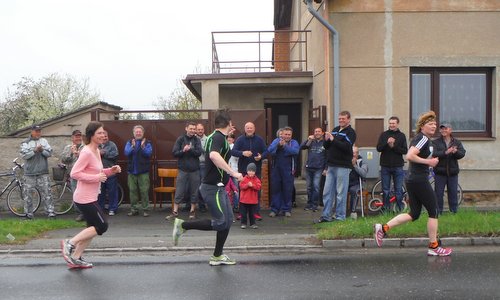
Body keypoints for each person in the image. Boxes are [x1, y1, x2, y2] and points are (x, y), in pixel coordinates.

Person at [374, 111, 453, 257]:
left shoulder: (426, 140)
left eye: (435, 124)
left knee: (414, 213)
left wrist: (435, 159)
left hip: (413, 179)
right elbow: (410, 155)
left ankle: (383, 228)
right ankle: (434, 246)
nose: (434, 126)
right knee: (434, 211)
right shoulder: (422, 138)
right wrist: (428, 162)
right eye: (430, 124)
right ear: (422, 126)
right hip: (418, 179)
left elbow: (424, 155)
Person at [173, 109, 243, 266]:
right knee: (220, 222)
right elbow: (213, 155)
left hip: (219, 187)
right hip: (212, 188)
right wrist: (233, 173)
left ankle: (217, 256)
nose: (233, 126)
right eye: (231, 123)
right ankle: (182, 225)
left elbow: (219, 149)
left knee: (228, 219)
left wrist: (227, 134)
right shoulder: (217, 138)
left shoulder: (219, 137)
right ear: (228, 123)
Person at [60, 121, 122, 268]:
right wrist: (96, 178)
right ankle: (70, 243)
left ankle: (75, 257)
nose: (103, 135)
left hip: (91, 196)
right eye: (99, 133)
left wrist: (110, 171)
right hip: (84, 198)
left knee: (92, 229)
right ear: (92, 135)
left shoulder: (96, 150)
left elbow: (97, 172)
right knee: (102, 226)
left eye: (103, 132)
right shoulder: (87, 152)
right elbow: (75, 173)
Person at [317, 111, 357, 223]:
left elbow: (346, 147)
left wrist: (333, 139)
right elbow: (327, 146)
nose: (341, 121)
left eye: (343, 119)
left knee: (340, 192)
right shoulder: (335, 130)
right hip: (331, 165)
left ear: (348, 119)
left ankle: (340, 217)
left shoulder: (351, 132)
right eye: (339, 119)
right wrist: (326, 140)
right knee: (327, 192)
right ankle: (326, 216)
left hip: (343, 166)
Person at [166, 121, 202, 220]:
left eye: (194, 129)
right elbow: (174, 153)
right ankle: (175, 212)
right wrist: (183, 150)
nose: (192, 130)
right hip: (183, 170)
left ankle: (192, 211)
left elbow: (199, 152)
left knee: (194, 191)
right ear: (186, 128)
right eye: (191, 128)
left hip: (194, 170)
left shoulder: (196, 140)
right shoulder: (180, 139)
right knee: (179, 191)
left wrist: (190, 150)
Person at [232, 121, 268, 220]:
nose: (249, 129)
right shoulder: (240, 139)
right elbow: (233, 151)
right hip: (243, 170)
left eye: (251, 128)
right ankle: (242, 213)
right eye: (247, 128)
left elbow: (266, 151)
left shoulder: (259, 139)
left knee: (256, 190)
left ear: (254, 129)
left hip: (256, 170)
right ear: (245, 129)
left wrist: (261, 156)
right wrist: (242, 153)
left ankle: (256, 212)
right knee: (242, 191)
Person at [19, 125, 55, 219]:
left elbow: (49, 153)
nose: (38, 133)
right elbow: (24, 156)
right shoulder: (25, 142)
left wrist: (42, 150)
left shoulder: (44, 141)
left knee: (47, 193)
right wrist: (35, 151)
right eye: (36, 131)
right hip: (29, 173)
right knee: (28, 195)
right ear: (32, 132)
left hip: (43, 172)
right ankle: (29, 214)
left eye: (39, 131)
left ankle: (50, 212)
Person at [376, 116, 408, 212]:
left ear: (397, 124)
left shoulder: (402, 136)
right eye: (390, 123)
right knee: (385, 190)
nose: (391, 125)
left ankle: (399, 210)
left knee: (398, 190)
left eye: (393, 123)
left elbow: (405, 151)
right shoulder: (384, 135)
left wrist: (393, 146)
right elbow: (378, 148)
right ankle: (386, 210)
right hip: (385, 166)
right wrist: (387, 143)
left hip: (398, 166)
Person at [433, 123, 466, 214]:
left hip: (452, 172)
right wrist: (446, 152)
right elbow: (434, 153)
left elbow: (462, 154)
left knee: (453, 193)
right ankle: (438, 212)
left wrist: (455, 152)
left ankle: (454, 212)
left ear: (450, 130)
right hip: (440, 172)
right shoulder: (435, 142)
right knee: (438, 194)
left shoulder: (456, 142)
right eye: (442, 129)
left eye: (445, 129)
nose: (443, 131)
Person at [267, 126, 299, 217]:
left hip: (288, 170)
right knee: (276, 189)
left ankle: (286, 209)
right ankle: (275, 209)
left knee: (287, 190)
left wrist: (284, 146)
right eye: (286, 134)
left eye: (289, 134)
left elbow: (295, 152)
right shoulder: (276, 141)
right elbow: (270, 151)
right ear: (282, 134)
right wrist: (278, 146)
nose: (287, 136)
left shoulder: (294, 143)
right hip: (276, 169)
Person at [124, 125, 153, 217]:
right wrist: (133, 146)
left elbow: (148, 154)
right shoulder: (129, 142)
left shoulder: (147, 143)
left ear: (143, 133)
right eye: (136, 131)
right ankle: (134, 209)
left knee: (144, 191)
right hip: (131, 172)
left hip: (143, 172)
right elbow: (126, 153)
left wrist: (143, 147)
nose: (138, 133)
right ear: (133, 133)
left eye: (140, 131)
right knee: (132, 191)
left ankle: (145, 209)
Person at [300, 127, 327, 212]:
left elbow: (327, 157)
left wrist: (326, 168)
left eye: (319, 131)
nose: (317, 133)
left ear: (322, 133)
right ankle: (309, 204)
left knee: (316, 187)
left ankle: (315, 205)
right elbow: (302, 147)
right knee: (309, 187)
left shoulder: (325, 143)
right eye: (315, 131)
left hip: (319, 168)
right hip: (309, 167)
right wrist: (308, 140)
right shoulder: (311, 141)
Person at [61, 129, 85, 221]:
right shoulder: (68, 147)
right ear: (72, 138)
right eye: (76, 136)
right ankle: (79, 213)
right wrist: (71, 153)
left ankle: (87, 213)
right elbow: (63, 160)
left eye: (79, 136)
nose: (78, 138)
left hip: (84, 175)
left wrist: (78, 154)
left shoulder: (85, 147)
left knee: (85, 194)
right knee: (76, 195)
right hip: (73, 175)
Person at [97, 130, 119, 215]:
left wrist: (104, 153)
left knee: (112, 191)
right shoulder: (96, 145)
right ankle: (100, 209)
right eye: (102, 136)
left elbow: (115, 155)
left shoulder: (112, 145)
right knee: (100, 192)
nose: (104, 137)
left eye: (106, 136)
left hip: (111, 172)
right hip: (99, 173)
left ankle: (112, 209)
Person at [239, 163, 261, 229]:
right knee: (243, 213)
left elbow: (258, 187)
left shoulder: (257, 179)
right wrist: (247, 185)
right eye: (249, 171)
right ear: (247, 171)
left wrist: (252, 186)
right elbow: (241, 186)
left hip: (253, 201)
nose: (251, 172)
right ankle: (243, 223)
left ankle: (252, 223)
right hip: (244, 200)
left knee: (252, 214)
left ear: (255, 172)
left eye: (253, 171)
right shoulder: (244, 178)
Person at [348, 146, 368, 219]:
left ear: (358, 153)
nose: (353, 155)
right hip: (347, 182)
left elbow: (363, 174)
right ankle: (338, 211)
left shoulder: (362, 162)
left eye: (355, 153)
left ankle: (353, 212)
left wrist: (355, 165)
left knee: (354, 190)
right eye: (352, 153)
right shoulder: (347, 160)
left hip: (358, 183)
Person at [196, 123, 208, 213]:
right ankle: (189, 204)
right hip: (193, 164)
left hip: (203, 165)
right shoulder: (193, 139)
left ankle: (202, 205)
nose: (200, 131)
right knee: (192, 185)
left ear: (203, 130)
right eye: (198, 129)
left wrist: (201, 149)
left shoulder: (207, 139)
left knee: (202, 186)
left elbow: (208, 152)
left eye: (201, 129)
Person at [227, 133, 240, 213]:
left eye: (231, 138)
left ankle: (236, 206)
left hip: (235, 170)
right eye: (228, 137)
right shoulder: (223, 146)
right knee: (226, 190)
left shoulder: (236, 147)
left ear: (233, 139)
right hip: (226, 171)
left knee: (236, 189)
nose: (229, 139)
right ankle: (228, 206)